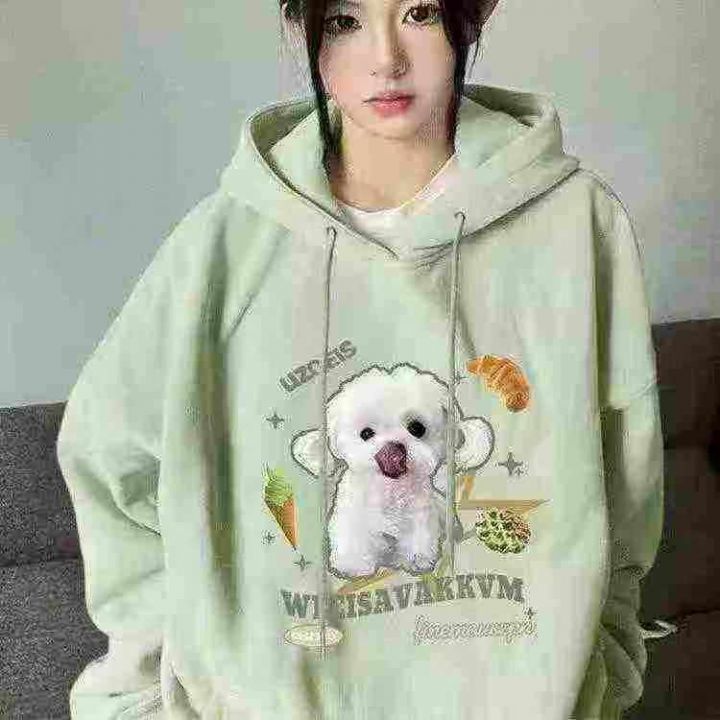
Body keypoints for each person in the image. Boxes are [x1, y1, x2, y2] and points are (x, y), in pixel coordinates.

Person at [56, 0, 665, 717]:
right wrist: (144, 677)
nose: (386, 59)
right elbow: (107, 456)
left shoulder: (576, 223)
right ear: (302, 28)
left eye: (420, 13)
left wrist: (608, 659)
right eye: (345, 20)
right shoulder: (222, 245)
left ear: (472, 18)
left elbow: (630, 470)